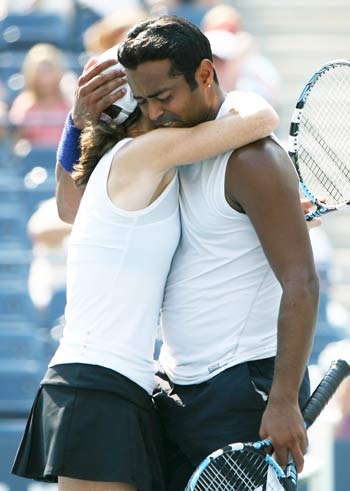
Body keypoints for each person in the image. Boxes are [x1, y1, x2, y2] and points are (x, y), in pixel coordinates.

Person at [55, 16, 319, 490]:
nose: (155, 113)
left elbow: (301, 282)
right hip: (175, 394)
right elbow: (72, 207)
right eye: (145, 101)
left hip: (242, 393)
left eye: (165, 97)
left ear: (203, 75)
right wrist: (76, 125)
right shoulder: (172, 153)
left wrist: (283, 400)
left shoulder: (253, 157)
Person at [11, 40, 279, 491]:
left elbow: (66, 206)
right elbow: (260, 120)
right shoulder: (144, 155)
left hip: (117, 383)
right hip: (97, 385)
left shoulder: (131, 168)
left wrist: (76, 122)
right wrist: (241, 95)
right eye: (152, 100)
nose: (162, 111)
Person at [8, 43, 74, 148]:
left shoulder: (69, 103)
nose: (44, 79)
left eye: (48, 71)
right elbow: (16, 141)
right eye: (40, 72)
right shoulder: (23, 104)